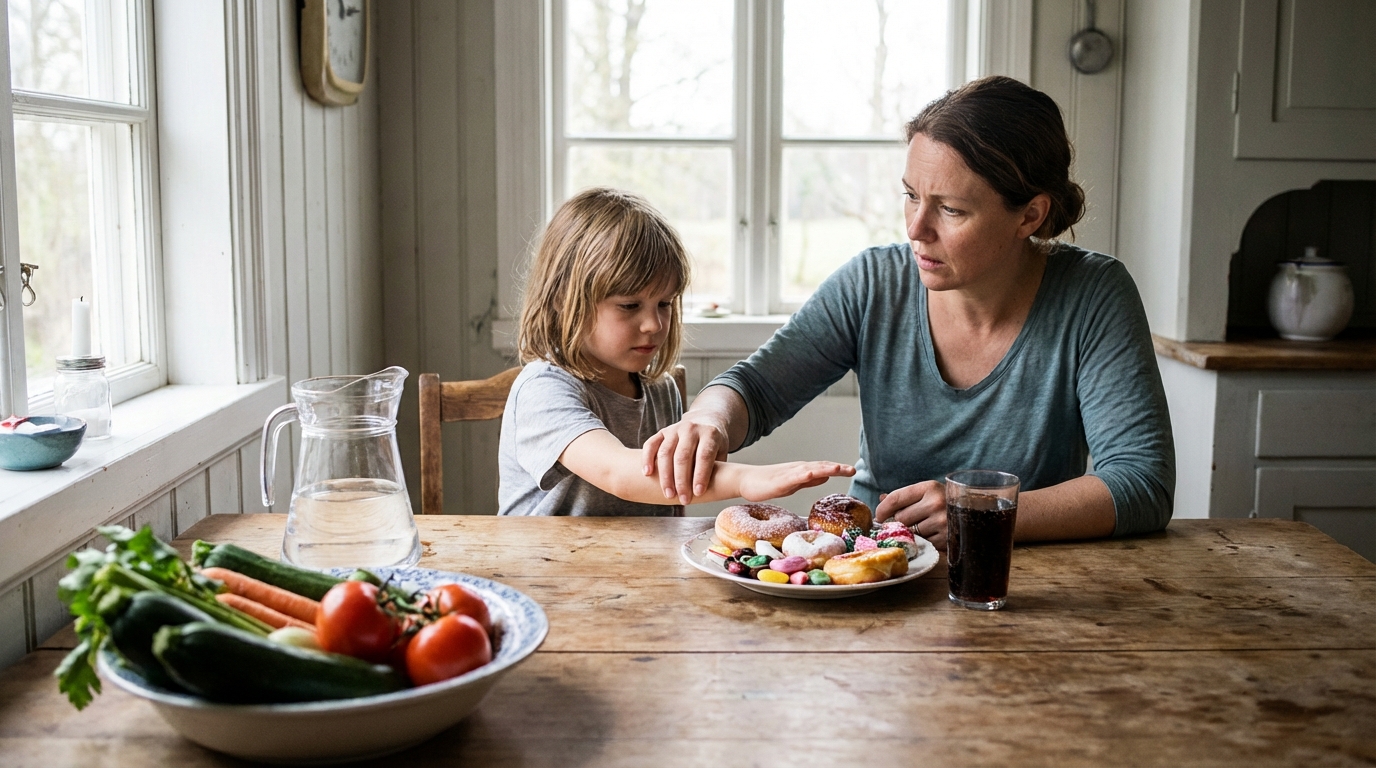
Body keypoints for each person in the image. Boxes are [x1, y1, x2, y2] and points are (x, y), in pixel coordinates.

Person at [642, 76, 1174, 547]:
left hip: (1023, 582)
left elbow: (1141, 481)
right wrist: (707, 421)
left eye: (951, 209)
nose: (916, 229)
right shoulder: (874, 282)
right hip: (873, 572)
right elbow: (755, 389)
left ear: (1029, 216)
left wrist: (981, 510)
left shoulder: (1094, 294)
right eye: (910, 195)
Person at [498, 187, 854, 516]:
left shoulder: (661, 389)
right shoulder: (544, 388)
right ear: (563, 299)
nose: (653, 324)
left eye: (665, 303)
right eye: (629, 305)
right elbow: (619, 472)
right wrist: (745, 480)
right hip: (546, 576)